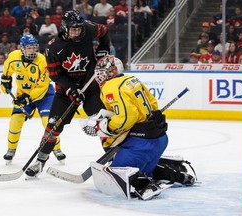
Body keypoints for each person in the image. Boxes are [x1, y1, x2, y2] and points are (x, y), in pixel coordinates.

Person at [81, 55, 195, 200]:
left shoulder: (111, 86)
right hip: (159, 140)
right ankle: (176, 175)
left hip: (141, 146)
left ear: (112, 71)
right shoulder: (130, 79)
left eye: (102, 72)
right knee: (143, 166)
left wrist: (108, 127)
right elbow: (153, 103)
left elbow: (127, 117)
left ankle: (144, 184)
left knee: (116, 173)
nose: (100, 76)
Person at [25, 10, 110, 177]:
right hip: (65, 92)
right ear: (64, 28)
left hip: (90, 85)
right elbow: (55, 75)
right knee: (53, 125)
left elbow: (105, 32)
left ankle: (113, 155)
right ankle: (40, 160)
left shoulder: (89, 28)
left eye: (79, 29)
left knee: (102, 120)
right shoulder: (53, 47)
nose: (77, 32)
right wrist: (71, 89)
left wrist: (103, 49)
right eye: (73, 30)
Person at [0, 34, 66, 165]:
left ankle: (56, 149)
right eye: (29, 48)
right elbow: (6, 75)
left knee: (48, 122)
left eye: (34, 47)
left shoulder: (43, 60)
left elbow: (42, 87)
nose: (32, 50)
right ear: (22, 48)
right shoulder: (13, 57)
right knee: (15, 121)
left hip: (45, 96)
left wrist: (27, 99)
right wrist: (5, 84)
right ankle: (11, 150)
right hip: (23, 94)